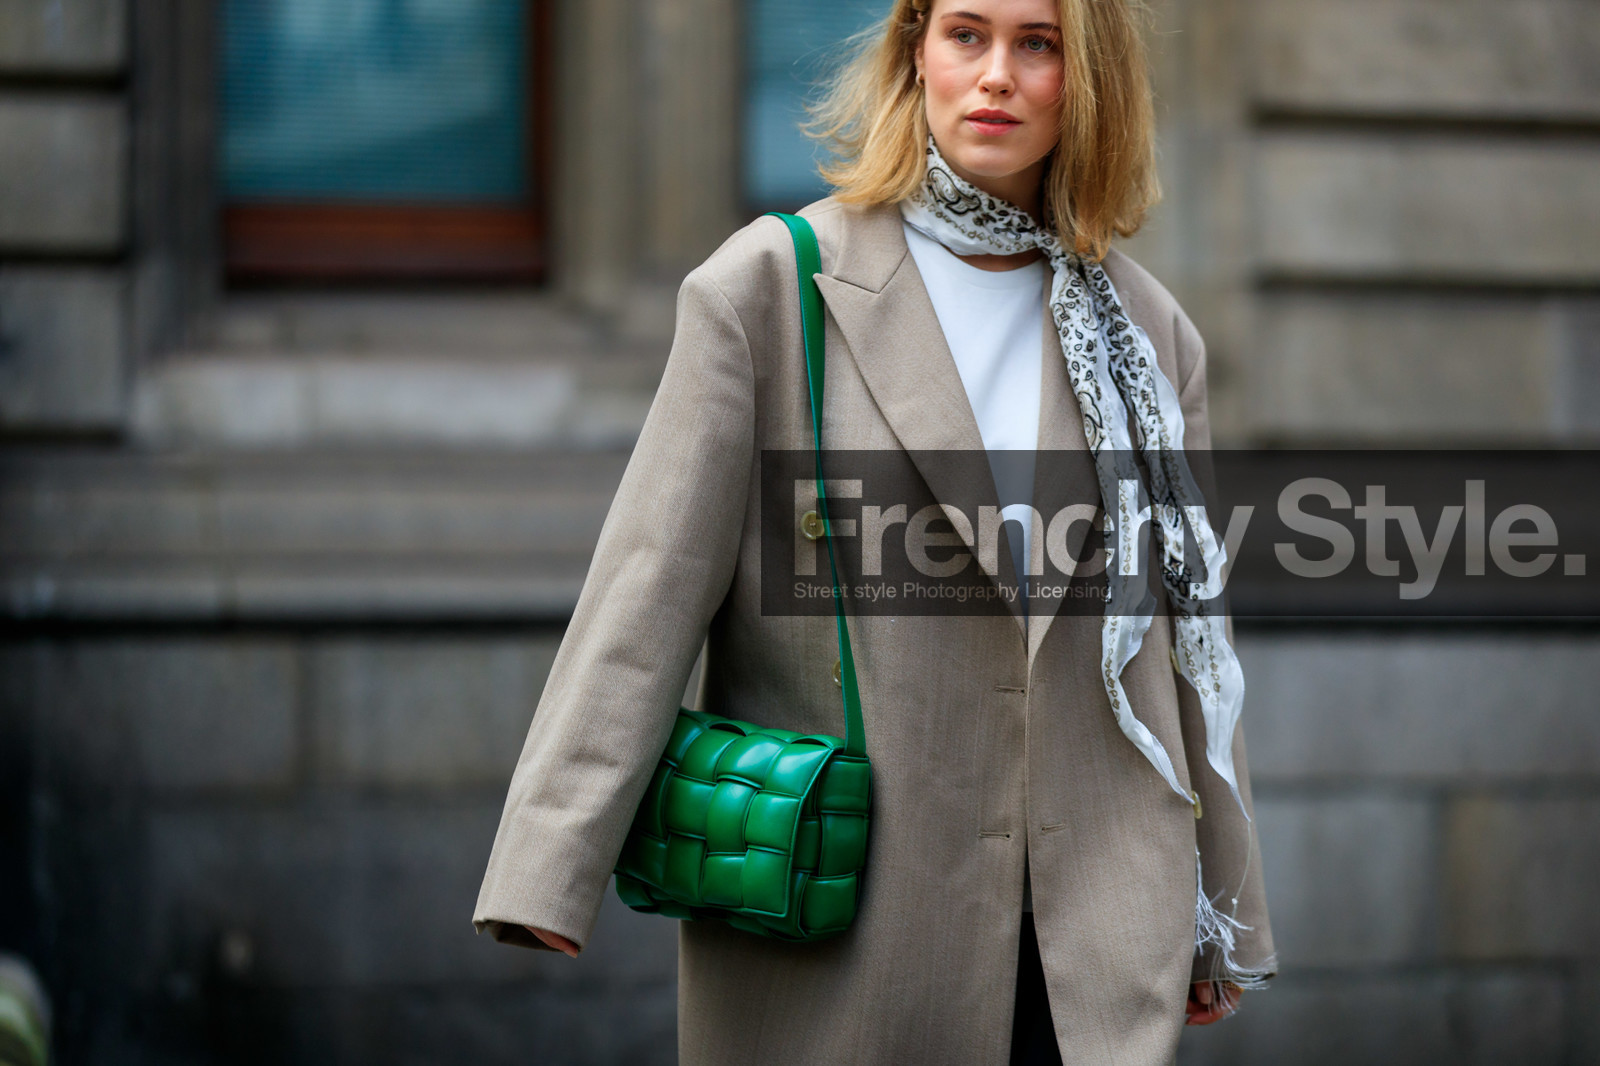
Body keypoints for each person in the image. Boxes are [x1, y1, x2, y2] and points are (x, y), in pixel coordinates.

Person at [473, 0, 1276, 1061]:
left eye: (1037, 44)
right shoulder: (769, 285)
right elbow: (647, 585)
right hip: (852, 923)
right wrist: (550, 860)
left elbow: (1191, 647)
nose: (996, 74)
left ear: (1089, 80)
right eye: (966, 35)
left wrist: (1227, 913)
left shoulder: (1148, 332)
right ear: (916, 53)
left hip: (1095, 937)